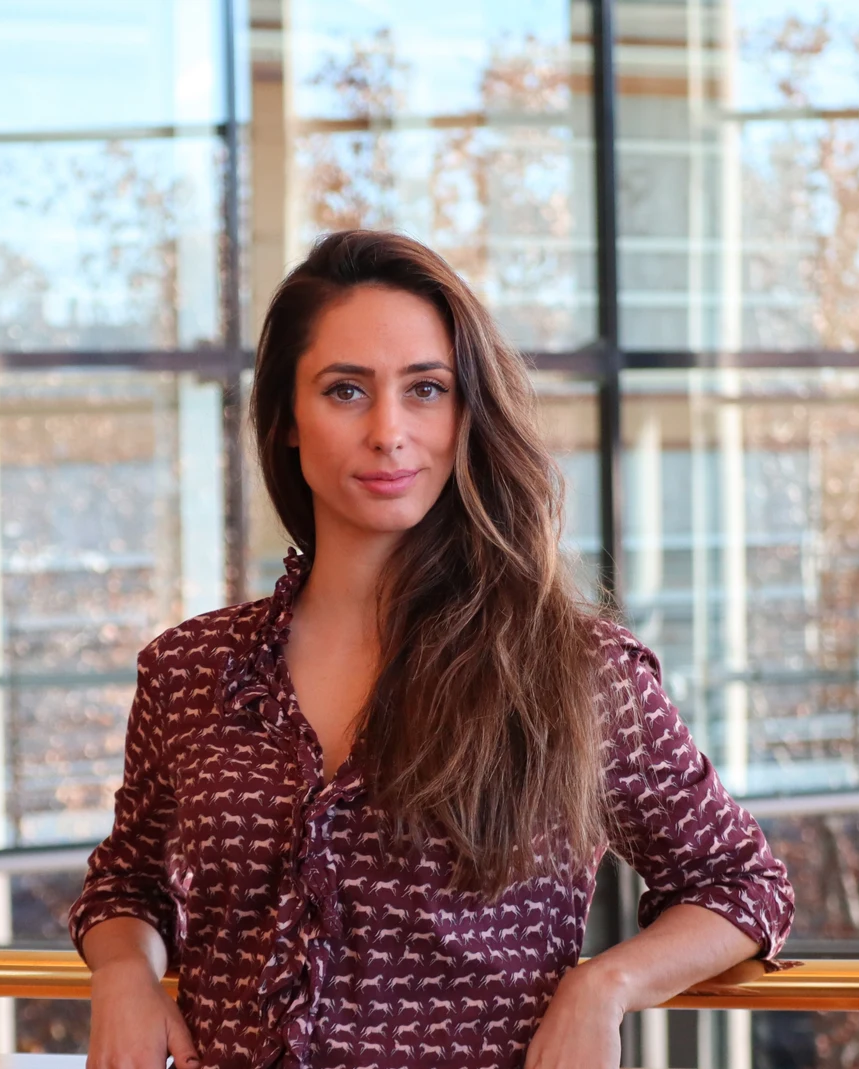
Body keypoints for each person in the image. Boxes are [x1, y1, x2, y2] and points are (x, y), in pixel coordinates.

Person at [68, 230, 793, 1069]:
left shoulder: (575, 671)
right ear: (287, 422)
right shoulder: (190, 671)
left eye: (426, 389)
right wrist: (122, 970)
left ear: (466, 412)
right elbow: (129, 883)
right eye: (345, 390)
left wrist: (603, 988)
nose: (388, 431)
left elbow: (741, 883)